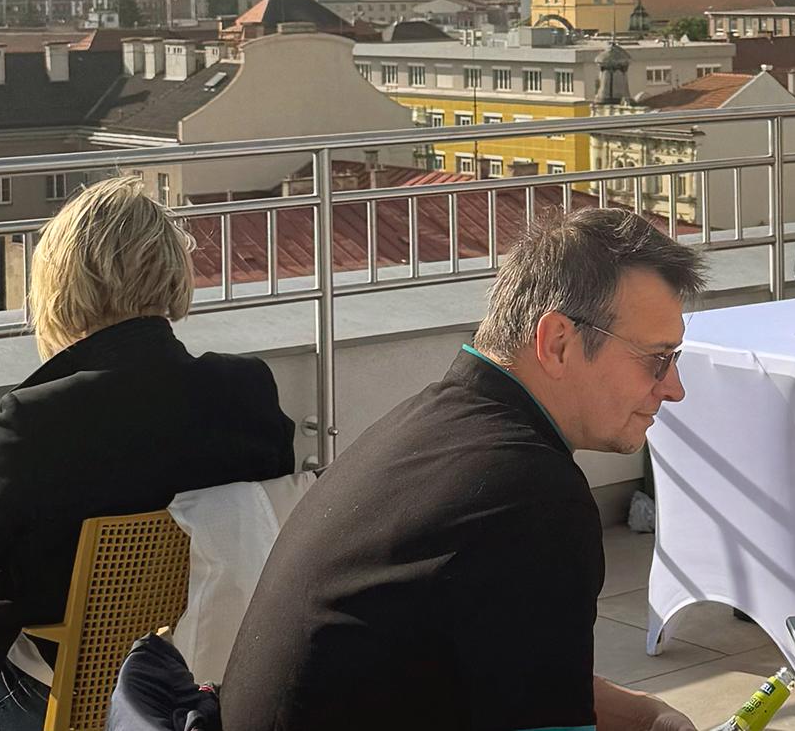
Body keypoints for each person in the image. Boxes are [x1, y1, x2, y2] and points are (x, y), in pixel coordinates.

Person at [225, 209, 704, 731]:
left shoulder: (432, 427)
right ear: (557, 343)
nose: (674, 388)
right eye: (657, 358)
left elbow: (501, 668)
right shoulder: (533, 498)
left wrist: (646, 715)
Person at [0, 177, 294, 731]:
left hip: (51, 695)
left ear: (59, 283)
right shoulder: (248, 388)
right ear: (172, 272)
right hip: (190, 681)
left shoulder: (39, 417)